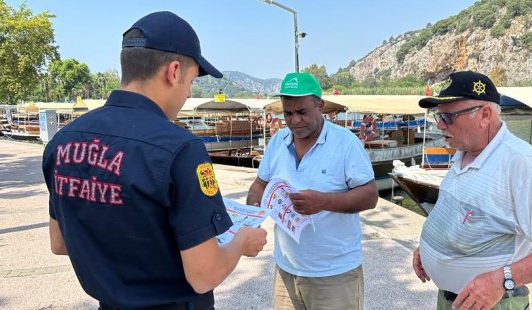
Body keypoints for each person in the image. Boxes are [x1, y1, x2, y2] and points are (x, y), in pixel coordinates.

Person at [42, 11, 267, 310]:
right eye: (190, 83)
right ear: (174, 72)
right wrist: (241, 242)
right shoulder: (181, 149)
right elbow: (204, 274)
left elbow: (60, 243)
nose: (187, 94)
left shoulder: (63, 141)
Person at [412, 71, 532, 310]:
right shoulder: (462, 153)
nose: (440, 124)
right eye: (437, 115)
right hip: (452, 299)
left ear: (485, 114)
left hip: (492, 303)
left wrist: (500, 280)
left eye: (448, 116)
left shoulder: (521, 164)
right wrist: (429, 247)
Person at [246, 72, 378, 310]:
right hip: (286, 269)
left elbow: (370, 195)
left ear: (320, 105)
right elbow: (259, 185)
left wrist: (324, 202)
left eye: (302, 112)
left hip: (334, 274)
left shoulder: (345, 142)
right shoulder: (277, 141)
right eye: (288, 113)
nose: (295, 120)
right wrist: (250, 217)